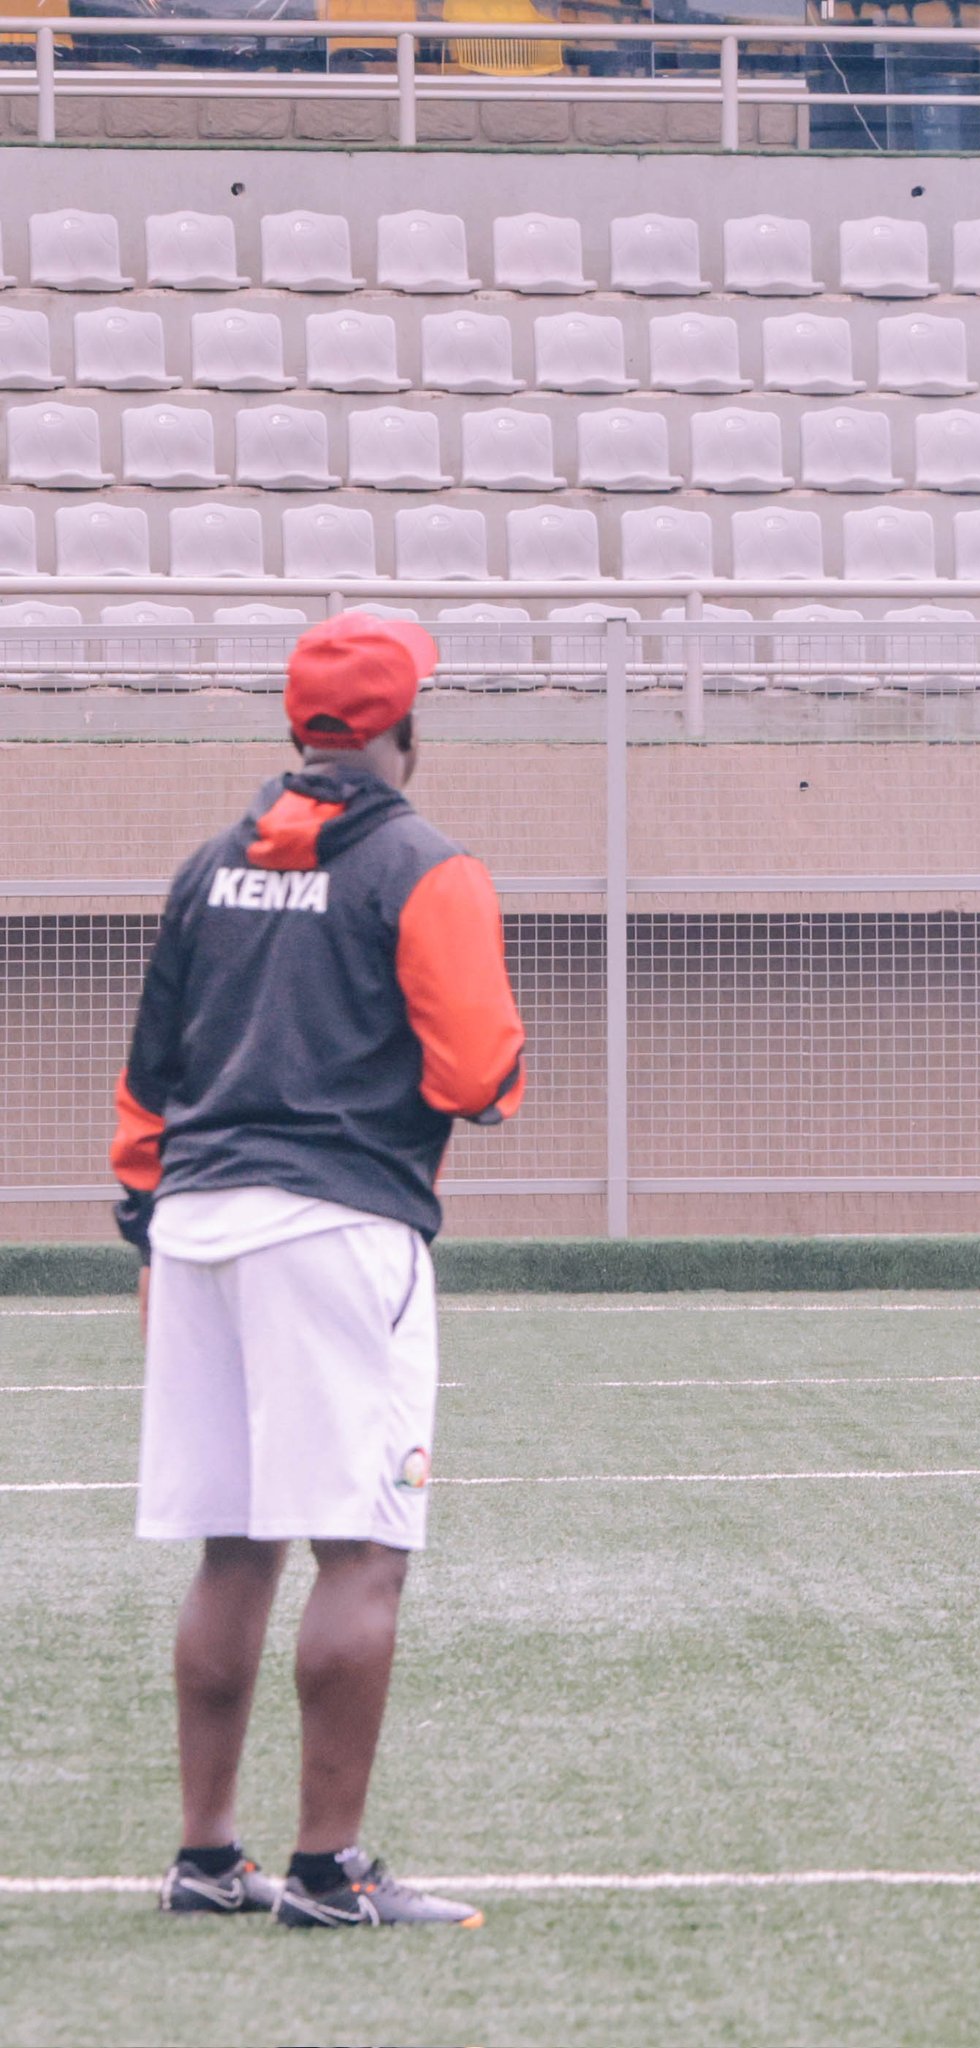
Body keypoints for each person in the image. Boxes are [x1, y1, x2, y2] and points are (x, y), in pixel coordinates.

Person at [112, 615, 526, 1929]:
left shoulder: (206, 867)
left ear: (299, 728)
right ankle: (327, 1870)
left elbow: (147, 1079)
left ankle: (205, 1854)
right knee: (362, 1553)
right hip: (339, 1229)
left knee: (233, 1550)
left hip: (194, 1229)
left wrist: (145, 1231)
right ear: (408, 727)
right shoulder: (425, 865)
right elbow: (478, 1075)